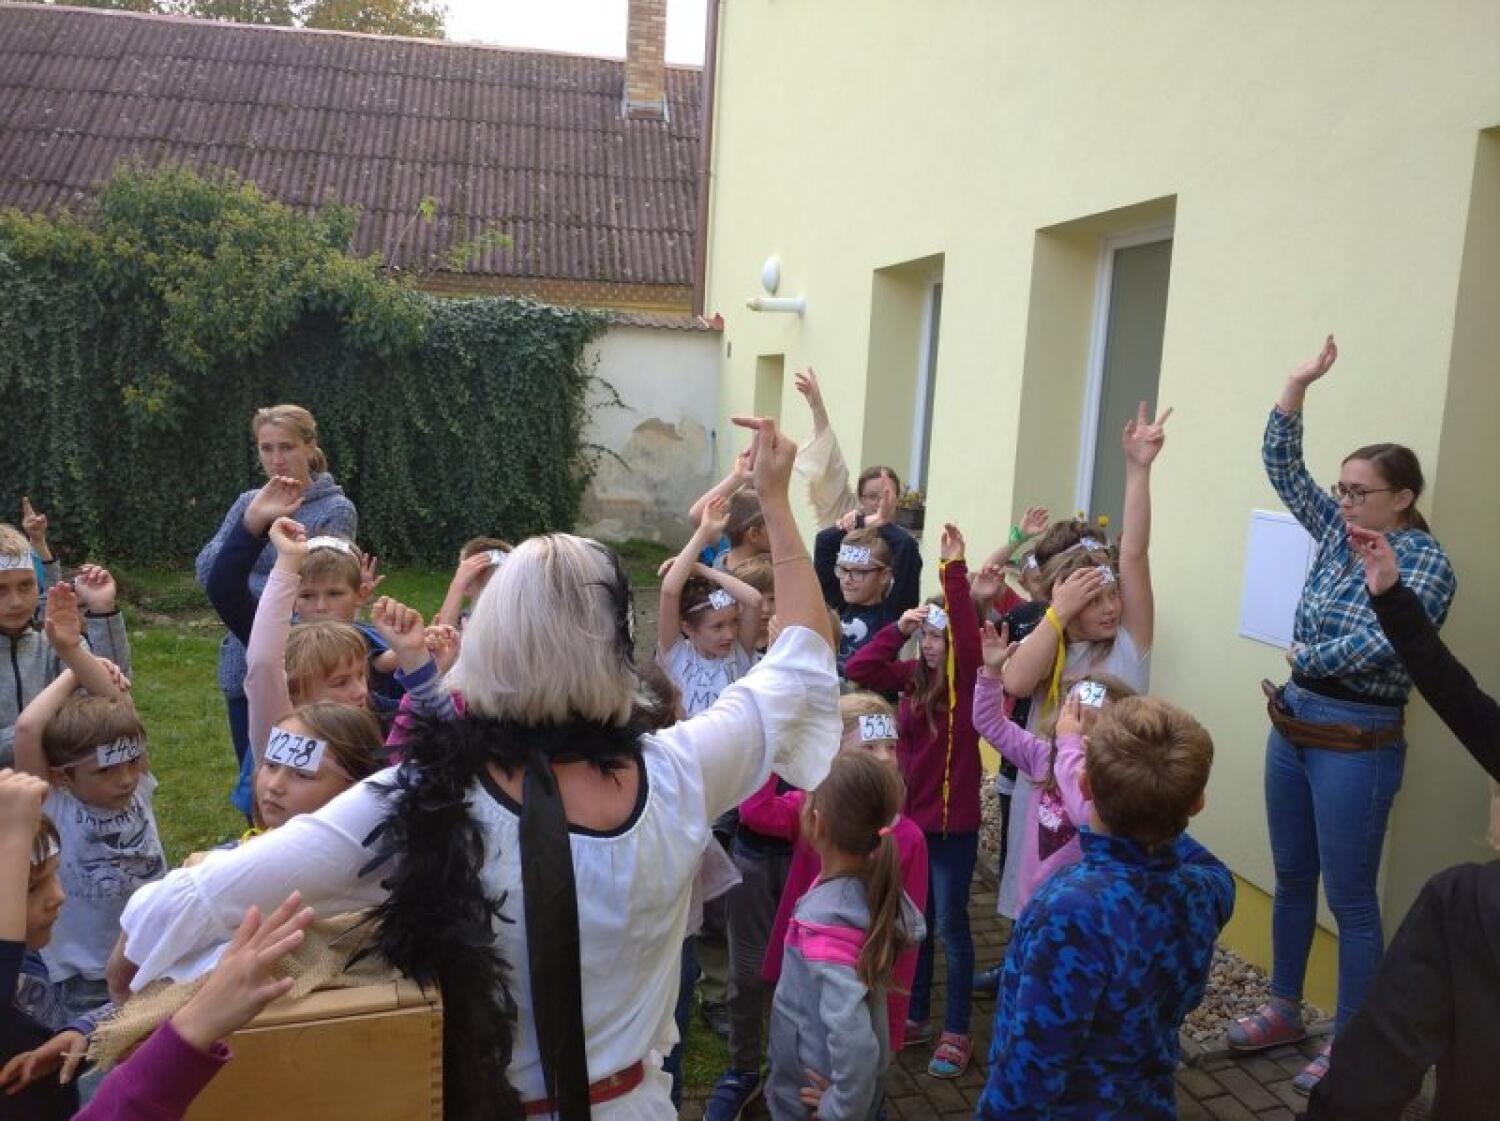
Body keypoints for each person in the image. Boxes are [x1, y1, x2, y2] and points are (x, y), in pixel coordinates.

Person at [108, 415, 841, 1120]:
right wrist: (776, 504)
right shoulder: (681, 769)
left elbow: (172, 911)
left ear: (487, 641)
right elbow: (802, 660)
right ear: (614, 648)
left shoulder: (422, 795)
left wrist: (125, 975)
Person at [1230, 336, 1457, 1093]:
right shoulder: (1337, 529)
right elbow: (1282, 466)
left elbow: (1384, 643)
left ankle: (1353, 1040)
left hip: (1357, 738)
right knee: (1293, 874)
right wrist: (1296, 385)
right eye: (1343, 488)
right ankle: (1283, 1008)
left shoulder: (1424, 560)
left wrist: (1309, 654)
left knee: (1352, 897)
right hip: (1294, 723)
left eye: (1360, 491)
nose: (1345, 500)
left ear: (1402, 497)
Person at [1299, 527, 1500, 1120]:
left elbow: (1373, 1073)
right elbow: (1456, 694)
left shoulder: (1467, 904)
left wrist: (1391, 597)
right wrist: (1390, 596)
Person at [976, 697, 1234, 1120]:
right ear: (1197, 804)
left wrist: (1075, 753)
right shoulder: (1205, 890)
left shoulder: (1069, 913)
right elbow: (1209, 864)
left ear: (1083, 787)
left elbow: (1031, 1072)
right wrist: (1157, 803)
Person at [997, 405, 1168, 925]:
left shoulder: (1128, 645)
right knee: (1036, 912)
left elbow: (1134, 554)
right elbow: (1016, 681)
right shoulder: (1051, 643)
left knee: (1097, 917)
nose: (1111, 608)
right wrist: (1057, 613)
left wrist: (1137, 469)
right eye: (1093, 601)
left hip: (1110, 808)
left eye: (1112, 595)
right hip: (1046, 810)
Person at [844, 524, 982, 1078]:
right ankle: (919, 1012)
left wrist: (953, 573)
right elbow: (859, 669)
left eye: (936, 638)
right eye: (924, 637)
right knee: (915, 921)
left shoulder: (966, 683)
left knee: (952, 927)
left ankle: (956, 1030)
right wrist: (898, 627)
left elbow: (968, 642)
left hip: (954, 829)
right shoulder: (909, 679)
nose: (929, 646)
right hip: (913, 826)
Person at [738, 693, 928, 1050]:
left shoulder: (910, 839)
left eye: (891, 746)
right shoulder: (811, 808)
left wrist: (892, 1030)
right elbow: (754, 811)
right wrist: (783, 747)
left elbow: (907, 941)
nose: (885, 758)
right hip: (801, 971)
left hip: (863, 990)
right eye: (869, 747)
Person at [12, 586, 163, 1027]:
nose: (126, 778)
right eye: (106, 772)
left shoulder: (137, 786)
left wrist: (74, 651)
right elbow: (28, 728)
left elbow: (120, 707)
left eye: (133, 763)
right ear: (62, 775)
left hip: (151, 956)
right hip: (85, 979)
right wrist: (70, 675)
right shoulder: (51, 805)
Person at [194, 406, 357, 807]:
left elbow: (318, 584)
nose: (277, 458)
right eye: (267, 448)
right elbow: (209, 573)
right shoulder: (251, 502)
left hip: (301, 650)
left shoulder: (334, 509)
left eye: (286, 447)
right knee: (258, 771)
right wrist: (253, 522)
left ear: (310, 447)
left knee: (313, 774)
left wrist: (257, 575)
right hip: (243, 648)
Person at [763, 752, 925, 1121]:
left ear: (817, 823)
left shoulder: (828, 922)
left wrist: (840, 1107)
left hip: (808, 1099)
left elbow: (855, 1041)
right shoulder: (867, 886)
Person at [975, 662, 1137, 913]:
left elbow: (1085, 816)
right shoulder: (1043, 757)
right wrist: (992, 671)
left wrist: (1070, 743)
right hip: (1030, 905)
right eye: (1075, 717)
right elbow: (990, 724)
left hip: (1077, 915)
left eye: (1094, 722)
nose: (1081, 730)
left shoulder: (1116, 782)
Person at [1, 524, 130, 766]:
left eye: (26, 585)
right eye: (0, 590)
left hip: (62, 785)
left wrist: (102, 609)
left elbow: (115, 703)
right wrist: (50, 727)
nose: (16, 602)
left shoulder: (53, 642)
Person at [0, 768, 76, 1120]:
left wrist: (80, 1033)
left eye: (54, 876)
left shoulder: (30, 955)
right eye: (30, 888)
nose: (58, 896)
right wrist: (14, 835)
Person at [434, 537, 512, 630]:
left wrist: (458, 584)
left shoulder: (517, 622)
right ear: (467, 587)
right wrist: (458, 584)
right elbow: (443, 634)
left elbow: (443, 633)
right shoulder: (463, 622)